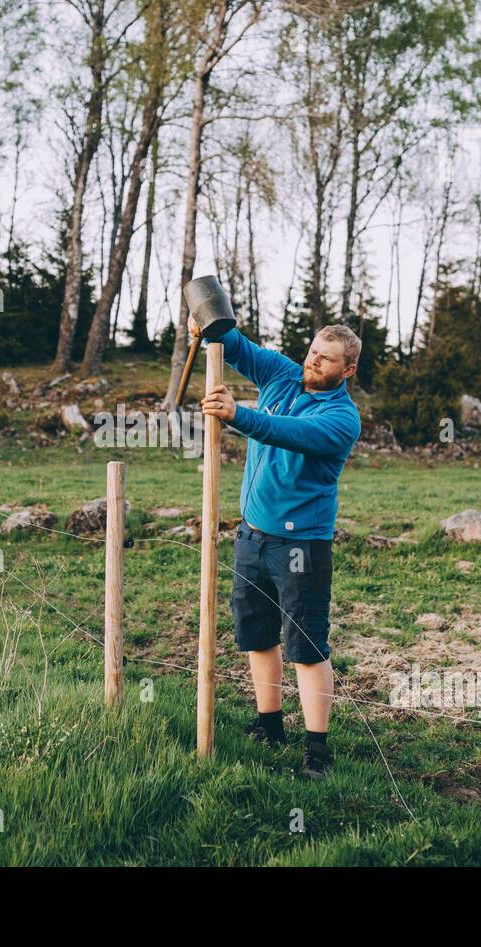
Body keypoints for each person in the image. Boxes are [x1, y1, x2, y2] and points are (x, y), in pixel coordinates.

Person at [192, 314, 361, 779]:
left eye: (326, 359)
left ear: (347, 371)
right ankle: (270, 725)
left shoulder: (341, 419)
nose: (313, 361)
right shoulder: (284, 373)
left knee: (305, 646)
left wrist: (238, 416)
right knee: (256, 634)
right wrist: (206, 320)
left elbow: (285, 432)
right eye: (312, 352)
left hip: (300, 546)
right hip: (251, 536)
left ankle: (317, 750)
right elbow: (238, 345)